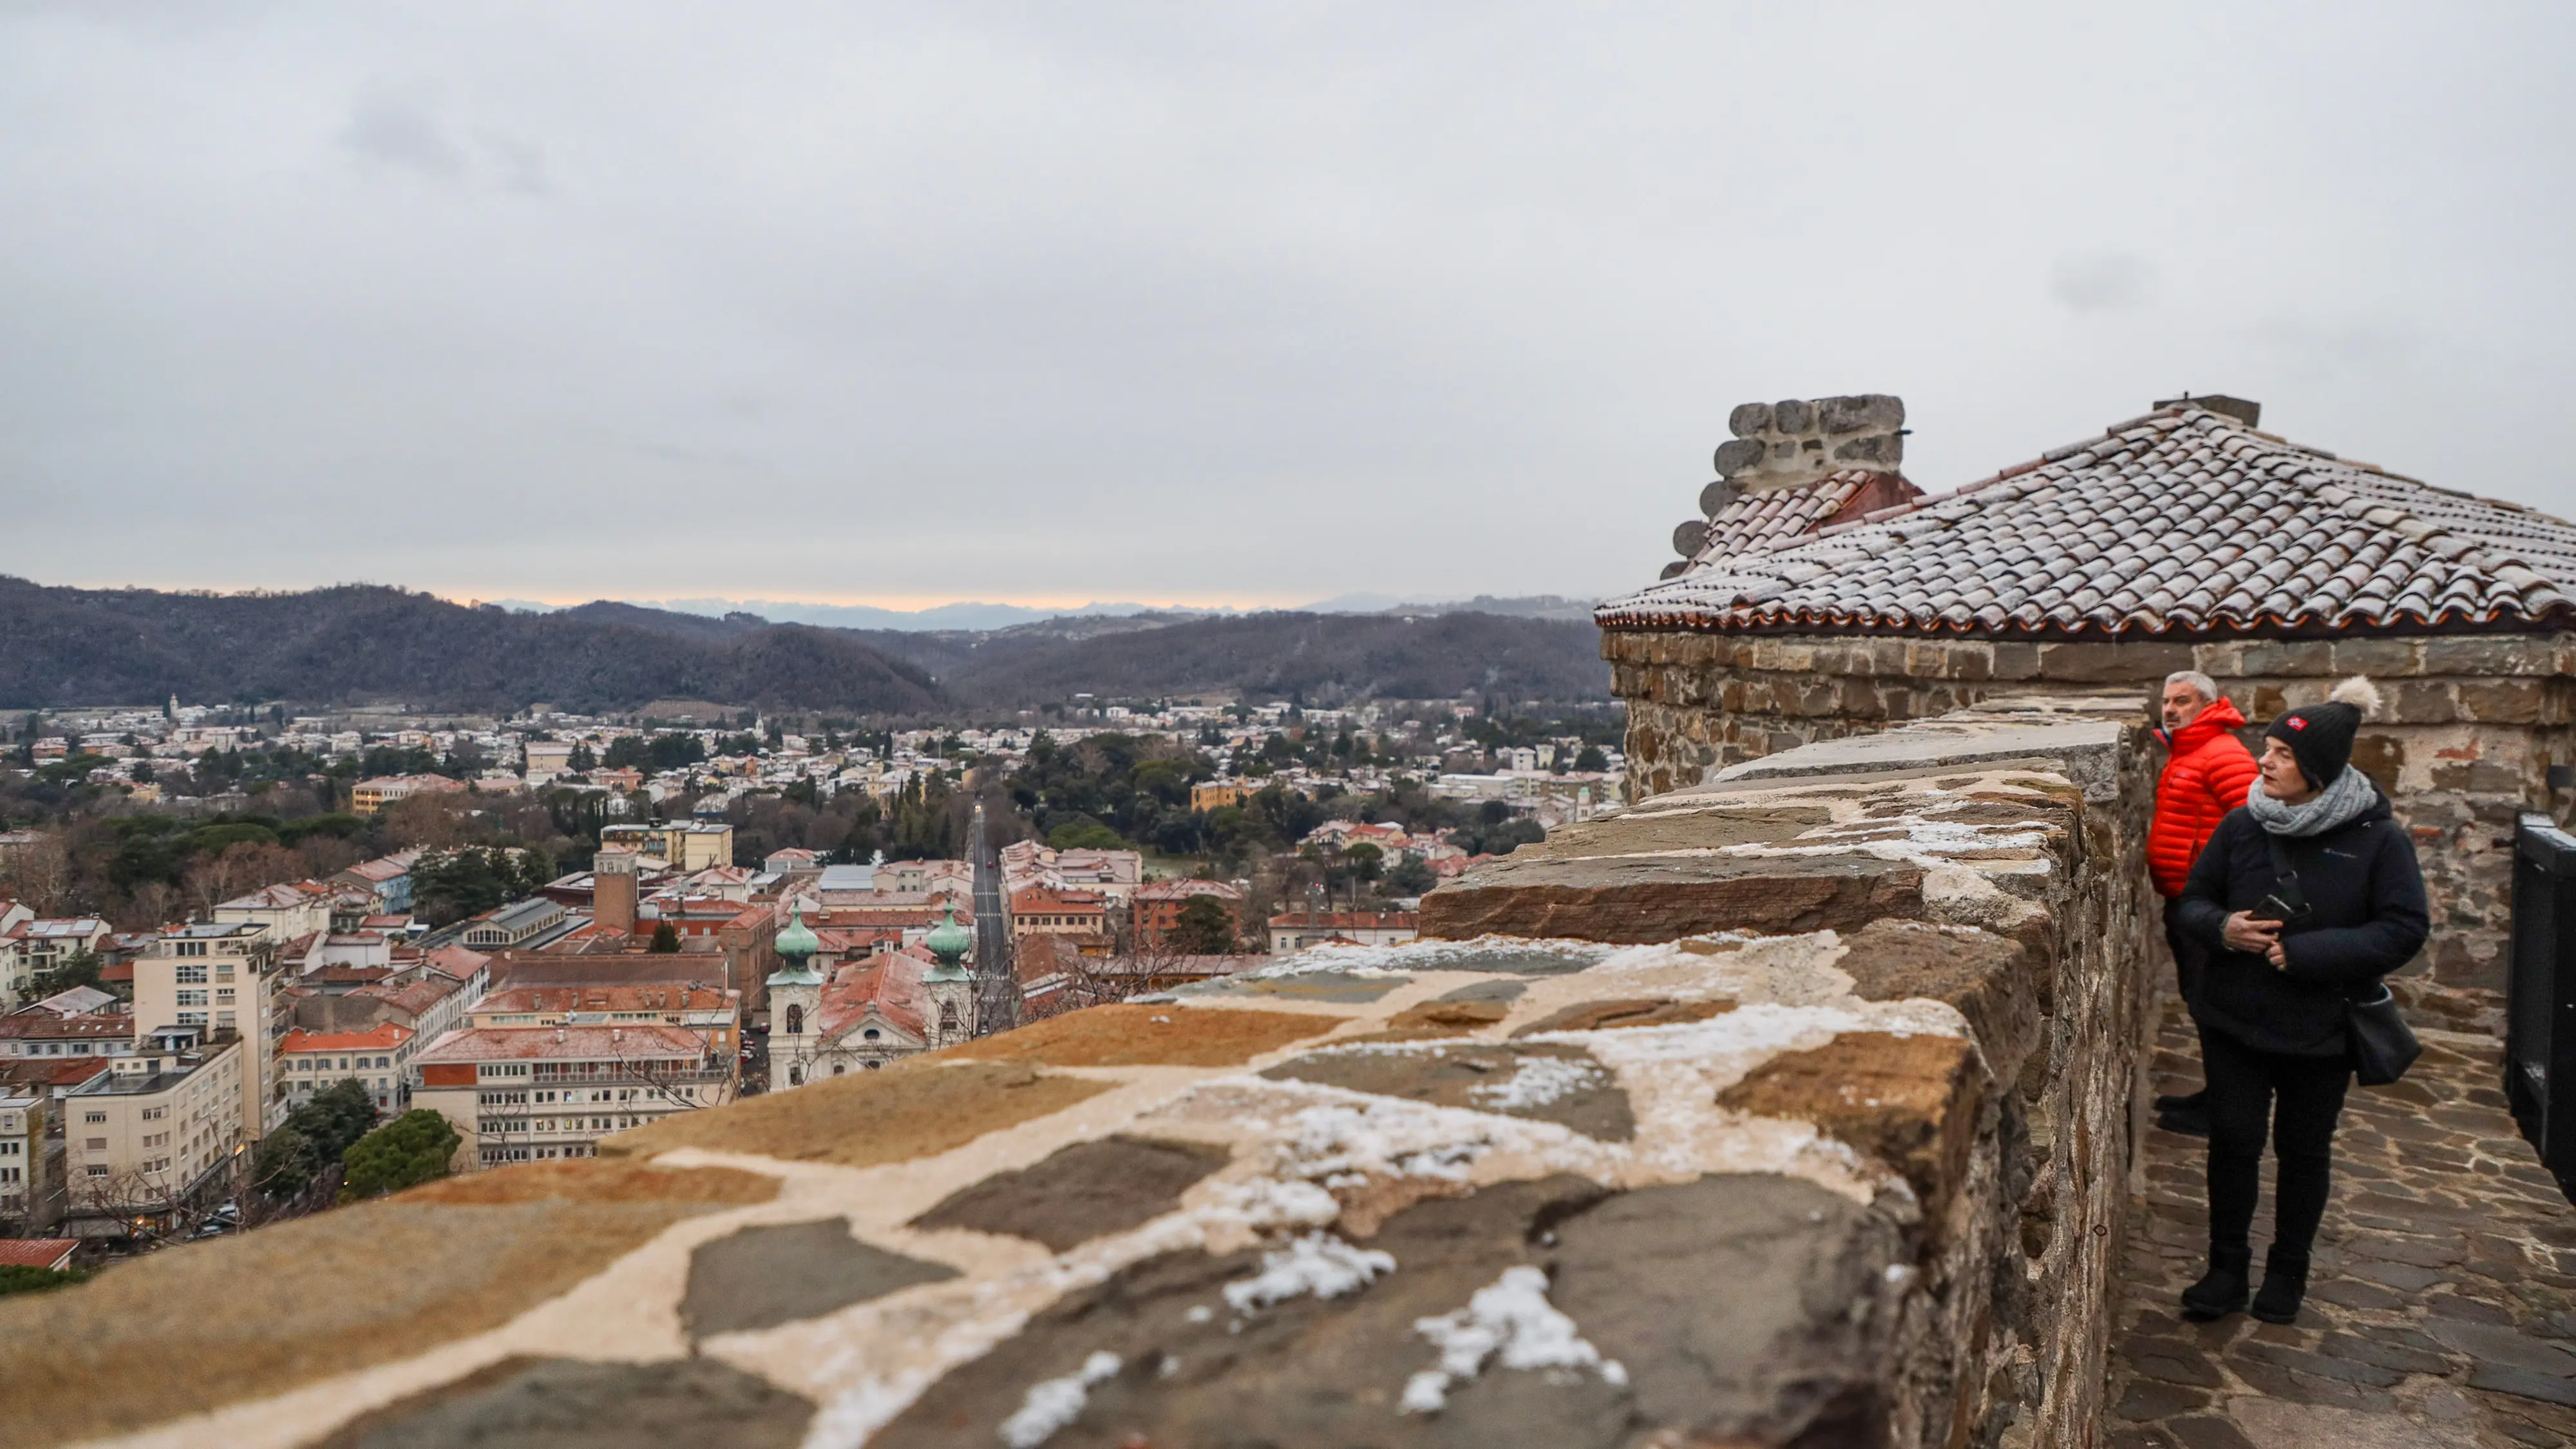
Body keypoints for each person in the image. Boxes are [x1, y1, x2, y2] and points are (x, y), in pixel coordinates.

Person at [2172, 676, 2429, 1325]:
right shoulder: (2243, 824)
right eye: (2268, 749)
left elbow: (2404, 928)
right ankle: (2226, 1268)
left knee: (2303, 1150)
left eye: (2282, 755)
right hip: (2233, 1017)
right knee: (2233, 1142)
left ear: (2318, 769)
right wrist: (2224, 928)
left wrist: (2311, 954)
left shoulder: (2378, 839)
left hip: (2321, 1027)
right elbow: (2192, 902)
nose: (2265, 762)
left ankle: (2288, 1272)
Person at [2145, 670, 2260, 1137]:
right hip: (2187, 902)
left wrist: (2228, 903)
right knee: (2200, 1002)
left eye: (2183, 701)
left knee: (2216, 1008)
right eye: (2167, 701)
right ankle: (2215, 1097)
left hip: (2210, 907)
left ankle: (2226, 1112)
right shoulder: (2188, 751)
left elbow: (2254, 827)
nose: (2171, 710)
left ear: (2209, 706)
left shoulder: (2222, 754)